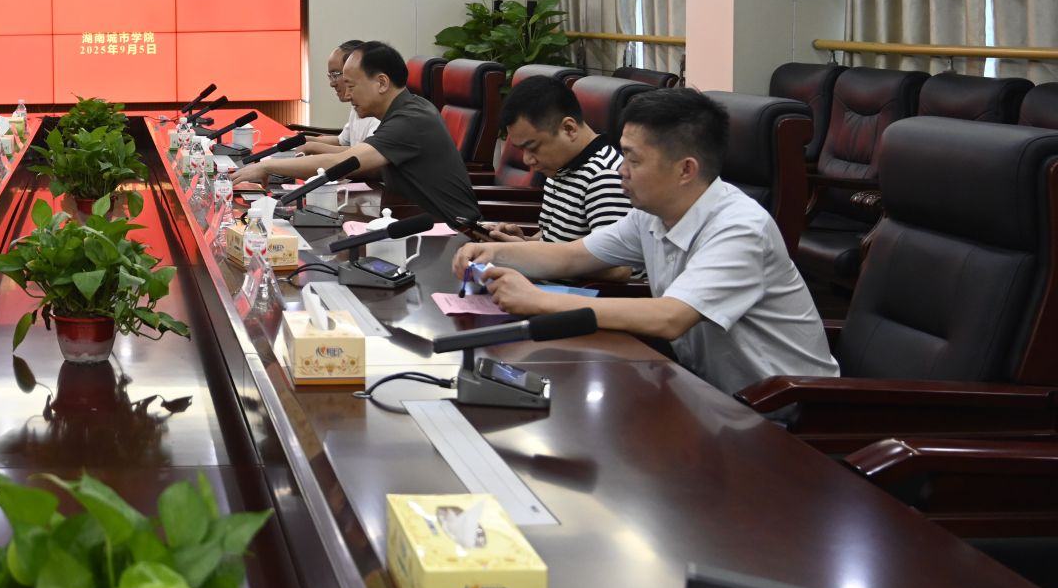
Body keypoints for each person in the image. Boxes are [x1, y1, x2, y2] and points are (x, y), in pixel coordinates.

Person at [453, 87, 836, 395]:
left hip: (786, 407)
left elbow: (670, 317)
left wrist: (539, 300)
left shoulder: (739, 228)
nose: (621, 170)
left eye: (633, 160)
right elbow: (571, 256)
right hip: (705, 388)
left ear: (685, 170)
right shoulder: (651, 214)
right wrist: (495, 251)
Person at [323, 40, 483, 225]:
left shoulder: (409, 120)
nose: (347, 95)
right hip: (415, 220)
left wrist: (290, 164)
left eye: (351, 87)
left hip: (451, 231)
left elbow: (342, 161)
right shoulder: (403, 110)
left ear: (382, 83)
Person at [483, 77, 632, 245]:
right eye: (521, 149)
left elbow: (613, 260)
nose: (527, 159)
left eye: (532, 147)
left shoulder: (605, 177)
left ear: (569, 129)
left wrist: (523, 251)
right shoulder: (561, 168)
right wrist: (524, 242)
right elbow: (553, 239)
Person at [231, 40, 379, 185]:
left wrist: (310, 146)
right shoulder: (360, 106)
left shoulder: (380, 117)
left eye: (336, 75)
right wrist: (304, 139)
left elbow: (352, 158)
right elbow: (343, 142)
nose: (332, 83)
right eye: (330, 76)